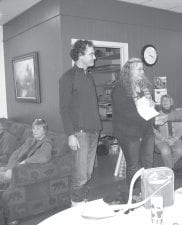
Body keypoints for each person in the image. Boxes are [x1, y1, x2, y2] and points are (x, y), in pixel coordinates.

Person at [59, 40, 102, 206]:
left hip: (94, 131)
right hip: (80, 133)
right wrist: (70, 134)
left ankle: (82, 201)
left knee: (88, 173)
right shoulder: (68, 77)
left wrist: (98, 129)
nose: (94, 57)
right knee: (80, 175)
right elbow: (64, 109)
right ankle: (76, 207)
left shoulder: (89, 77)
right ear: (80, 55)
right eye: (91, 54)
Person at [112, 57, 155, 195]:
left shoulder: (145, 87)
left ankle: (147, 192)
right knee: (134, 165)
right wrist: (152, 118)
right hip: (128, 133)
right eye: (139, 69)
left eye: (143, 69)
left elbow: (149, 107)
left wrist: (154, 109)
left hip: (146, 131)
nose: (142, 72)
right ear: (129, 71)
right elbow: (127, 114)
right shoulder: (119, 89)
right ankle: (134, 195)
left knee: (148, 164)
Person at [0, 118, 52, 185]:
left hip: (21, 170)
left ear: (45, 130)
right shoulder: (29, 141)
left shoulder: (46, 144)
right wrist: (10, 168)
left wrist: (25, 161)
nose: (35, 131)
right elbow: (15, 154)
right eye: (33, 128)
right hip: (14, 166)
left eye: (38, 129)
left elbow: (44, 157)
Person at [154, 94, 182, 169]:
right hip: (161, 140)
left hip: (175, 139)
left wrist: (175, 139)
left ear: (171, 102)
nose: (165, 102)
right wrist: (164, 139)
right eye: (163, 100)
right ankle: (170, 170)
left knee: (179, 152)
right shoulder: (156, 115)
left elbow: (180, 129)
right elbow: (155, 131)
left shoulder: (177, 114)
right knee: (165, 151)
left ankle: (167, 167)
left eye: (167, 100)